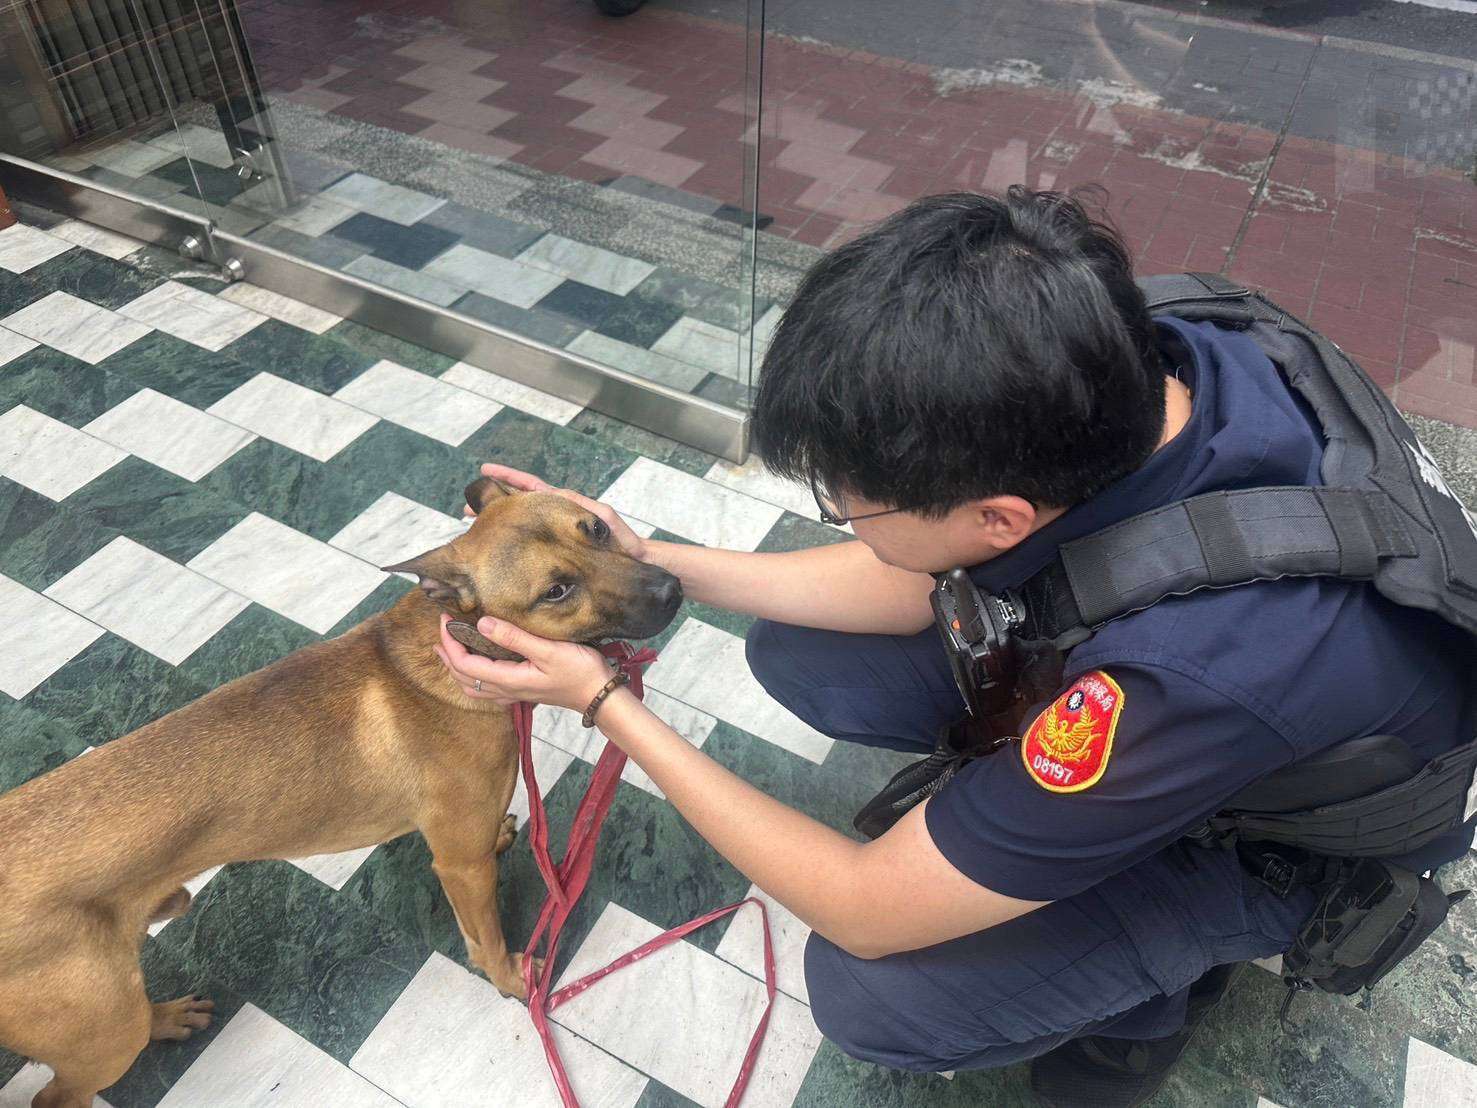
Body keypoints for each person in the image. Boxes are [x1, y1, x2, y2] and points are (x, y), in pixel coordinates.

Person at [435, 188, 1476, 1106]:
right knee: (801, 653)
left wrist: (602, 701)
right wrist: (640, 557)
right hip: (1249, 682)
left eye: (851, 506)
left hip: (1283, 832)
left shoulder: (1185, 678)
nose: (842, 515)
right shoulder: (1121, 342)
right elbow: (914, 572)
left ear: (998, 518)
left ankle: (1148, 1002)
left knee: (871, 989)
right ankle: (1031, 838)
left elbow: (867, 910)